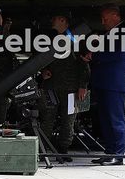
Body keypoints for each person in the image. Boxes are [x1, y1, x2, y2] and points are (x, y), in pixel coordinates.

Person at [38, 10, 89, 160]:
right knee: (47, 118)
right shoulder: (47, 38)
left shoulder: (76, 39)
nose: (52, 21)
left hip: (71, 88)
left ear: (63, 20)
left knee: (69, 120)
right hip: (50, 87)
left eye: (55, 18)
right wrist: (43, 71)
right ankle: (44, 150)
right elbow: (38, 60)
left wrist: (83, 86)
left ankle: (63, 150)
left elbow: (84, 64)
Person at [90, 5, 125, 165]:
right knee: (105, 120)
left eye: (105, 18)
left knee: (116, 120)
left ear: (115, 16)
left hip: (114, 83)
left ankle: (118, 154)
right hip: (103, 82)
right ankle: (110, 151)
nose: (102, 22)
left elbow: (118, 54)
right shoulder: (109, 34)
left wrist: (94, 54)